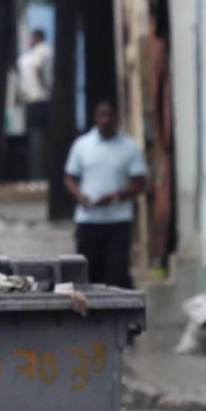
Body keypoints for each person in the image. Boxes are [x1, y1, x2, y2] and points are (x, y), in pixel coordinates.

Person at [63, 98, 148, 288]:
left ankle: (122, 314)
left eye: (110, 115)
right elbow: (69, 177)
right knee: (87, 273)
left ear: (116, 118)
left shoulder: (129, 147)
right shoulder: (82, 145)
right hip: (88, 220)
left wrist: (114, 197)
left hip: (118, 220)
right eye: (102, 115)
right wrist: (79, 196)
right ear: (95, 118)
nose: (106, 120)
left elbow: (140, 182)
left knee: (117, 271)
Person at [12, 22, 54, 179]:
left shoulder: (37, 54)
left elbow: (38, 70)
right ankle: (43, 174)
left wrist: (45, 86)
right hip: (43, 99)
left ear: (36, 38)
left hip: (37, 100)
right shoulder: (45, 52)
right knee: (45, 139)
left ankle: (38, 174)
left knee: (36, 139)